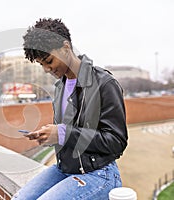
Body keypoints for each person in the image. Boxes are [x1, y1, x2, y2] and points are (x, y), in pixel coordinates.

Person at [12, 18, 128, 199]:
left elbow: (116, 142)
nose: (46, 69)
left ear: (66, 48)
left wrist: (63, 133)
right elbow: (67, 135)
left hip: (98, 173)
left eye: (49, 61)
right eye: (42, 64)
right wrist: (49, 135)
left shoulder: (105, 83)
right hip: (65, 169)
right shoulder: (59, 88)